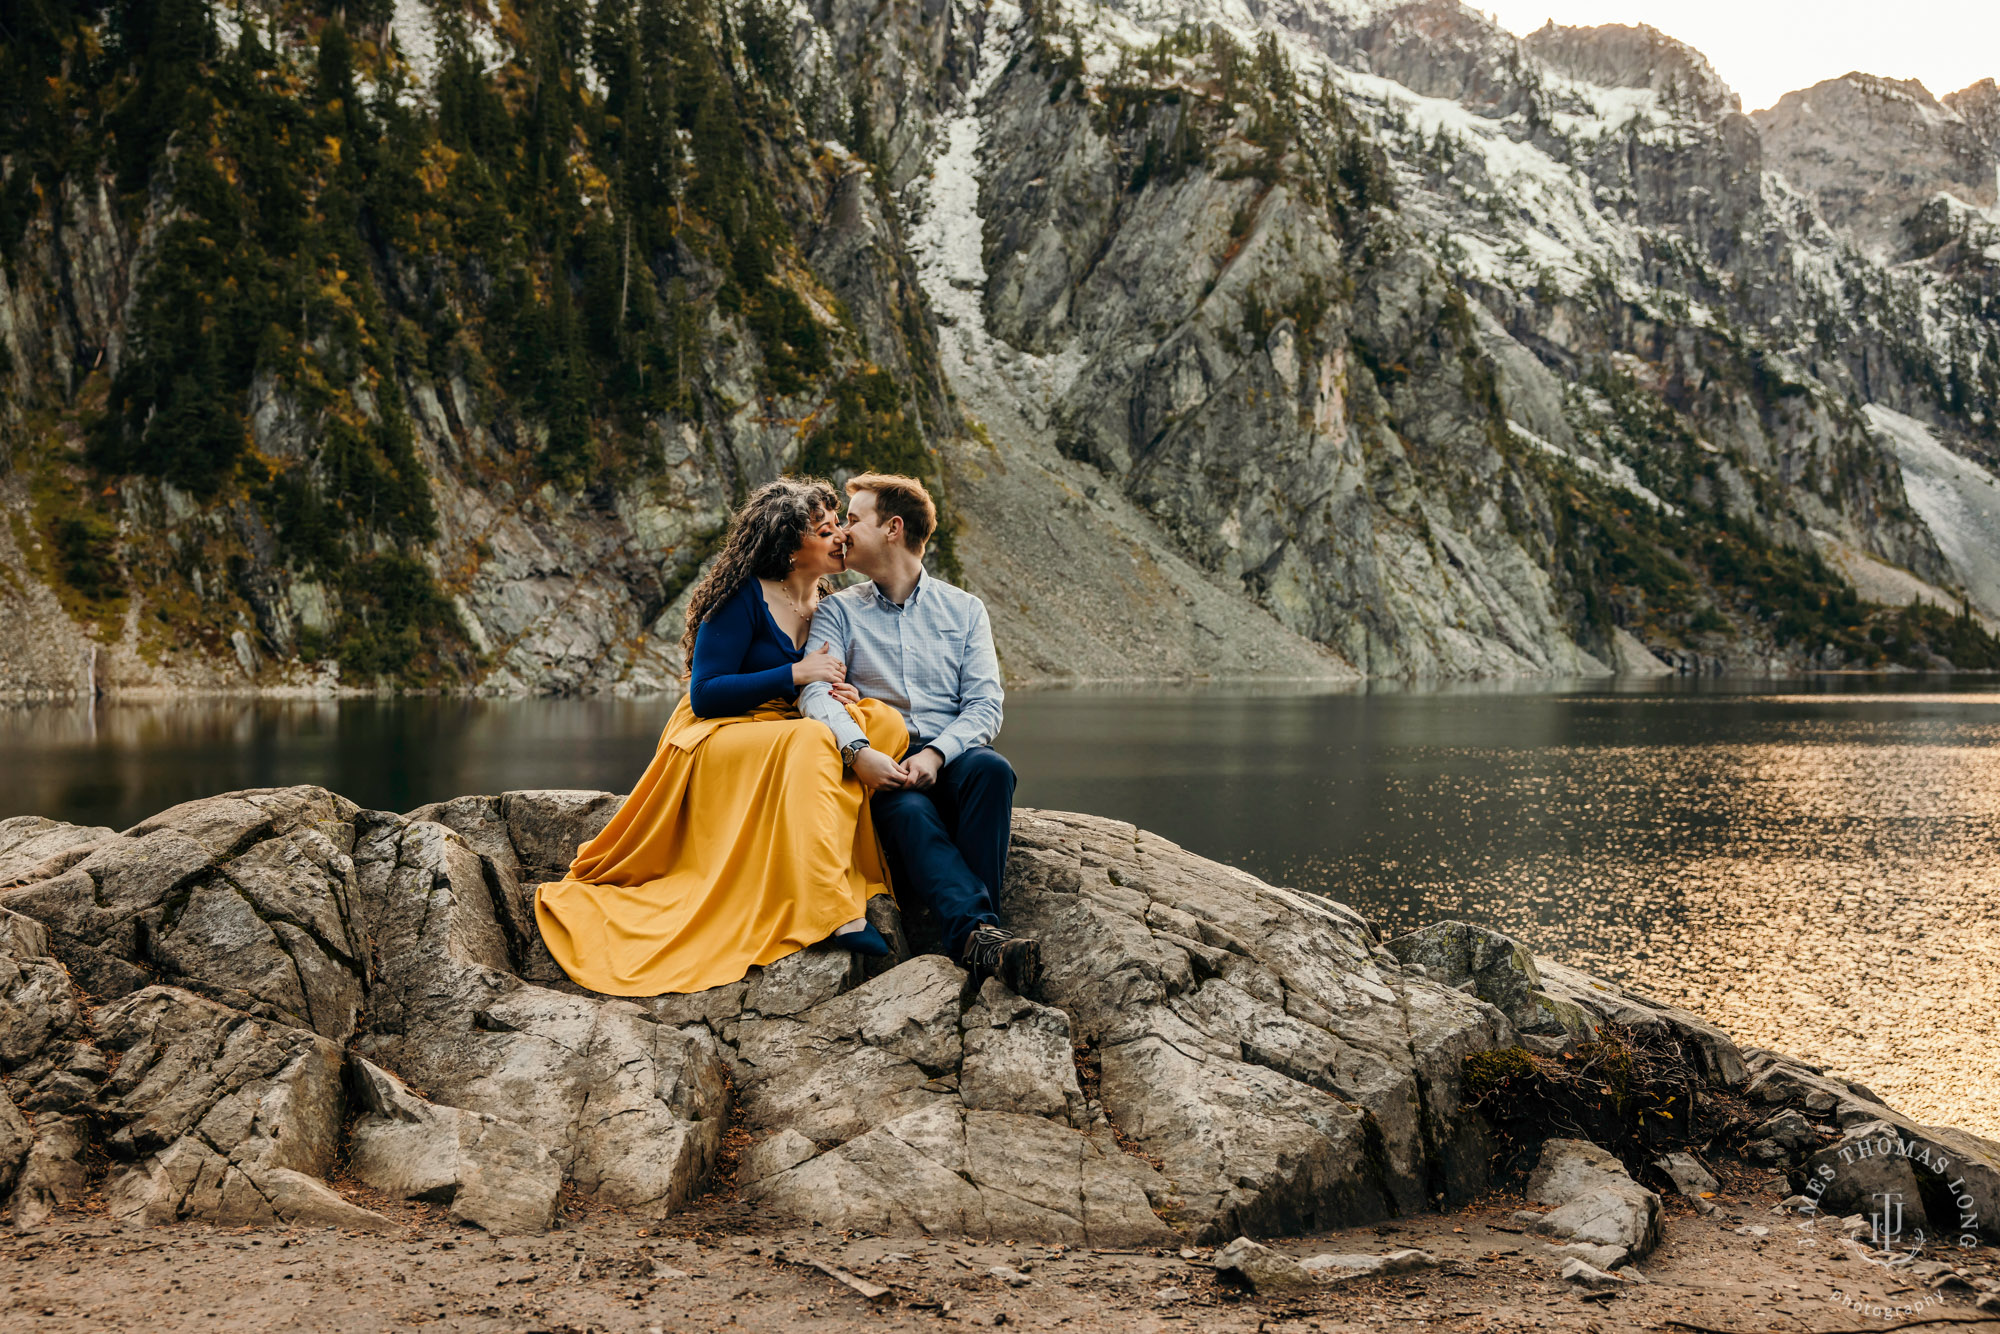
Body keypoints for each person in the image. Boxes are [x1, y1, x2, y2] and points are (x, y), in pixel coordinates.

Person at [534, 478, 909, 996]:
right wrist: (795, 675)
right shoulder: (741, 598)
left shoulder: (826, 603)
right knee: (814, 744)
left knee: (881, 721)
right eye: (825, 531)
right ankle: (830, 909)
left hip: (783, 724)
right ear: (789, 546)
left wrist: (834, 688)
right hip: (718, 732)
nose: (841, 536)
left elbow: (822, 680)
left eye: (838, 526)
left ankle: (822, 856)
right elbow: (707, 693)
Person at [798, 472, 1041, 995]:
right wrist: (858, 751)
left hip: (949, 760)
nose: (841, 530)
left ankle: (979, 937)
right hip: (882, 767)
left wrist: (936, 754)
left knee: (992, 769)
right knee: (906, 810)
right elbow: (815, 692)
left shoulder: (965, 609)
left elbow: (984, 706)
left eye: (854, 519)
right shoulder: (837, 610)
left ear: (893, 528)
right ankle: (983, 939)